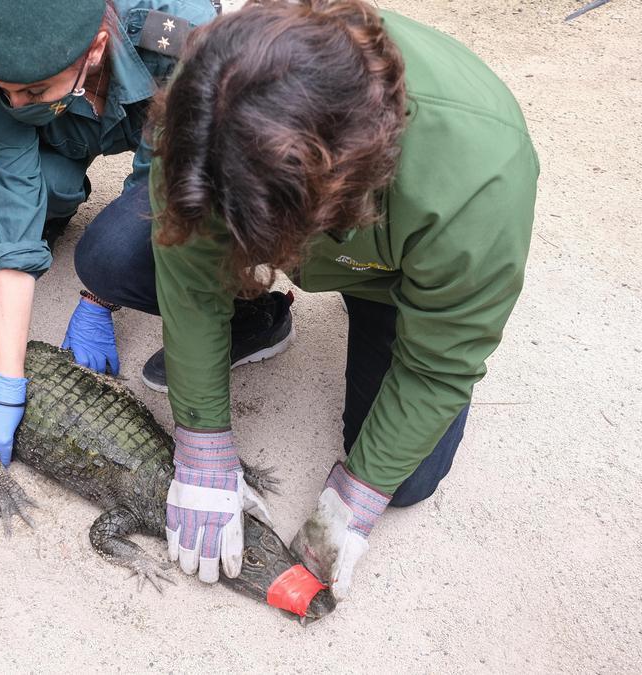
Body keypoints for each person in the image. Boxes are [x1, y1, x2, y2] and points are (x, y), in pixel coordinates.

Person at [74, 0, 538, 595]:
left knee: (409, 477)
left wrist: (361, 492)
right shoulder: (213, 87)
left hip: (388, 276)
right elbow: (188, 273)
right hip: (281, 208)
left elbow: (440, 363)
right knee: (114, 256)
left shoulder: (480, 183)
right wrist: (202, 444)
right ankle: (258, 320)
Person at [0, 0, 218, 467]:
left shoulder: (185, 39)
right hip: (71, 119)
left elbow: (155, 182)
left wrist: (100, 294)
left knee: (130, 240)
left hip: (159, 118)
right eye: (3, 90)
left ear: (94, 49)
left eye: (31, 90)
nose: (13, 104)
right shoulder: (8, 57)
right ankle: (56, 206)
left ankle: (252, 314)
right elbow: (9, 213)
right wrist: (6, 386)